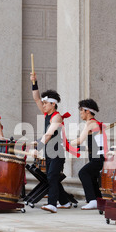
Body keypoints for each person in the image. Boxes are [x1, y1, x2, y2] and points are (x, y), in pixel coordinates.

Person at [29, 72, 72, 214]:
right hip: (48, 150)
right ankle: (65, 202)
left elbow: (48, 134)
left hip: (57, 151)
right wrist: (34, 82)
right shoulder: (47, 114)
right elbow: (36, 99)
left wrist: (38, 147)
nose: (43, 105)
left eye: (46, 103)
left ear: (53, 104)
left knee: (52, 176)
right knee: (51, 176)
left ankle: (52, 204)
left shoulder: (57, 117)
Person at [70, 99, 107, 210]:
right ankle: (97, 200)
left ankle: (92, 200)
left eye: (81, 111)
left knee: (83, 173)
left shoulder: (91, 123)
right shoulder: (93, 123)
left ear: (87, 111)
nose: (80, 113)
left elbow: (80, 140)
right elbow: (90, 146)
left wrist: (67, 143)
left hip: (98, 158)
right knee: (91, 177)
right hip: (96, 157)